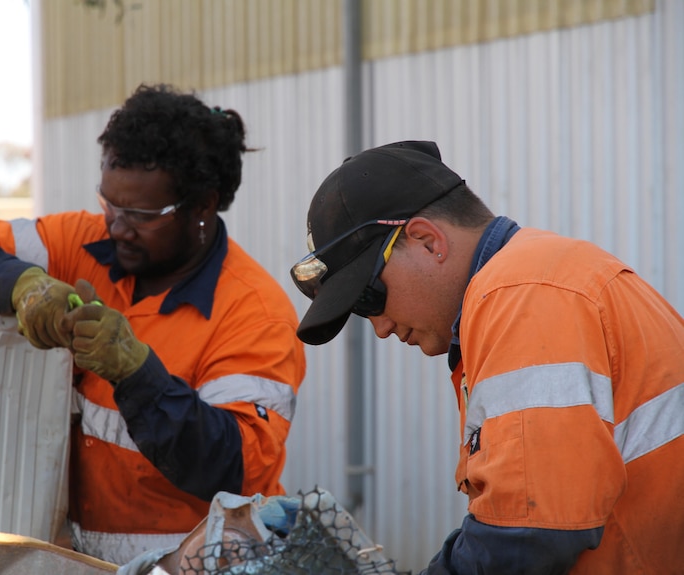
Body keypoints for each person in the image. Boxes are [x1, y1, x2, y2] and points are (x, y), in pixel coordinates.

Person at [0, 83, 306, 565]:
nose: (117, 227)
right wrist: (24, 286)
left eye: (141, 215)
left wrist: (138, 375)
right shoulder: (79, 242)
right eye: (110, 204)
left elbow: (231, 467)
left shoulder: (254, 313)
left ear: (203, 205)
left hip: (208, 563)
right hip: (92, 560)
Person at [290, 140, 684, 574]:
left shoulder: (521, 294)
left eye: (369, 297)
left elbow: (528, 534)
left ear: (426, 240)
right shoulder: (539, 277)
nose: (380, 328)